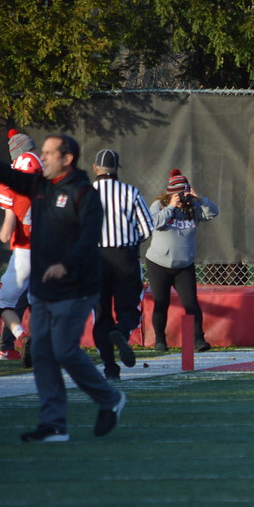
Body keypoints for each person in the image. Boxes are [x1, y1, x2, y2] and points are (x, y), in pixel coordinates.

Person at [0, 134, 126, 442]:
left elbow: (87, 239)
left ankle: (110, 399)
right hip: (44, 288)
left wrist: (65, 264)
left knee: (64, 349)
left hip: (77, 286)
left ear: (67, 159)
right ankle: (54, 423)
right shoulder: (39, 186)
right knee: (41, 351)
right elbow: (5, 174)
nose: (44, 157)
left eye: (50, 153)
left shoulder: (84, 193)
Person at [91, 149, 154, 380]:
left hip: (94, 259)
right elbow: (147, 229)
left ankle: (110, 367)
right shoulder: (130, 192)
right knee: (129, 310)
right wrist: (128, 242)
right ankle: (122, 331)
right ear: (117, 168)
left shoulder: (85, 193)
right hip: (124, 256)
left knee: (101, 314)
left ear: (95, 167)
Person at [145, 168, 218, 353]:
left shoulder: (193, 207)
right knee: (161, 302)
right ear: (170, 193)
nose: (182, 197)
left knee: (191, 302)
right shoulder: (159, 205)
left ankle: (198, 340)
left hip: (184, 265)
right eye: (179, 193)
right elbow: (153, 223)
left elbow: (213, 213)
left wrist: (199, 198)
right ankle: (160, 341)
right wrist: (170, 207)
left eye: (184, 192)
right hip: (159, 264)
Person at [0, 129, 43, 365]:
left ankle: (21, 337)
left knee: (5, 304)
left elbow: (7, 229)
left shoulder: (10, 184)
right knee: (38, 302)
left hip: (24, 251)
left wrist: (2, 235)